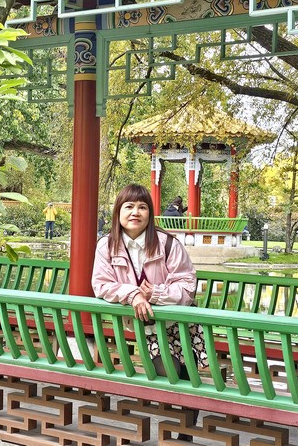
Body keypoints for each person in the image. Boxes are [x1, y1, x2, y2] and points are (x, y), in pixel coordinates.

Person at [91, 184, 205, 441]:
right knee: (170, 374)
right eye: (129, 206)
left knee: (189, 376)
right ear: (118, 212)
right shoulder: (106, 246)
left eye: (142, 207)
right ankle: (180, 429)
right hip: (147, 325)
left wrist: (156, 294)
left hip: (179, 321)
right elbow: (101, 284)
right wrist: (133, 294)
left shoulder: (167, 244)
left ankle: (183, 435)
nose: (135, 212)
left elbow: (187, 285)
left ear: (150, 213)